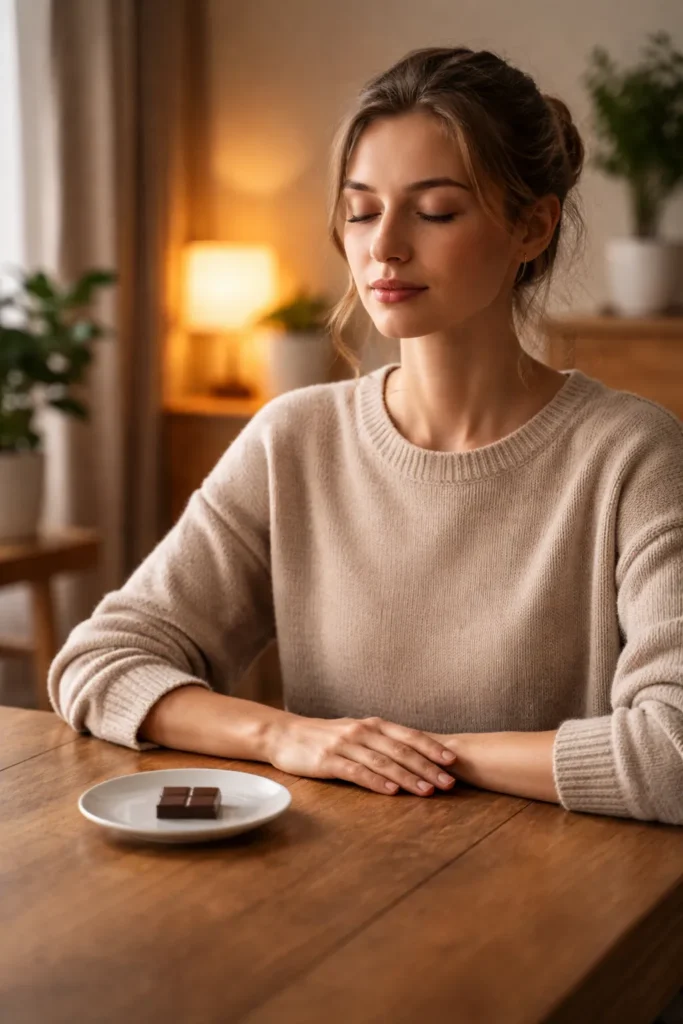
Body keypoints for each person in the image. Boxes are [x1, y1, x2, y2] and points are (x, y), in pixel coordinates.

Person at [48, 46, 683, 825]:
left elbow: (672, 751)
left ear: (531, 226)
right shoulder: (294, 438)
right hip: (328, 894)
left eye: (436, 210)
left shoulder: (633, 455)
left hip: (552, 908)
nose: (383, 246)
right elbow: (99, 662)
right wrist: (288, 737)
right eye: (360, 210)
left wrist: (409, 753)